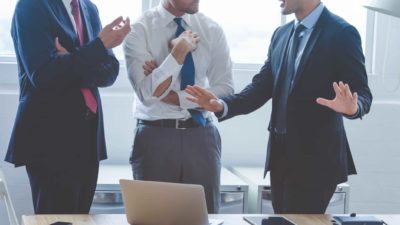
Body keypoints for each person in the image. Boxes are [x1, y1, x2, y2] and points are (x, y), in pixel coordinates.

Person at [185, 0, 372, 213]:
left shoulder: (342, 33)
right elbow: (261, 87)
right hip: (280, 156)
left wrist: (353, 109)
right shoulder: (281, 35)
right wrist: (222, 105)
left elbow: (363, 94)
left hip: (317, 160)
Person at [5, 0, 130, 214]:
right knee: (56, 219)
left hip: (89, 136)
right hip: (50, 138)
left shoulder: (88, 8)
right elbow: (44, 75)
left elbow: (110, 70)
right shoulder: (31, 6)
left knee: (81, 218)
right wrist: (98, 46)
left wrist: (70, 61)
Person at [123, 0, 234, 213]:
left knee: (203, 216)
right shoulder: (140, 29)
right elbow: (147, 94)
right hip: (155, 137)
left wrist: (173, 96)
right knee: (153, 217)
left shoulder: (211, 29)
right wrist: (178, 53)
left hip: (202, 137)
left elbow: (225, 89)